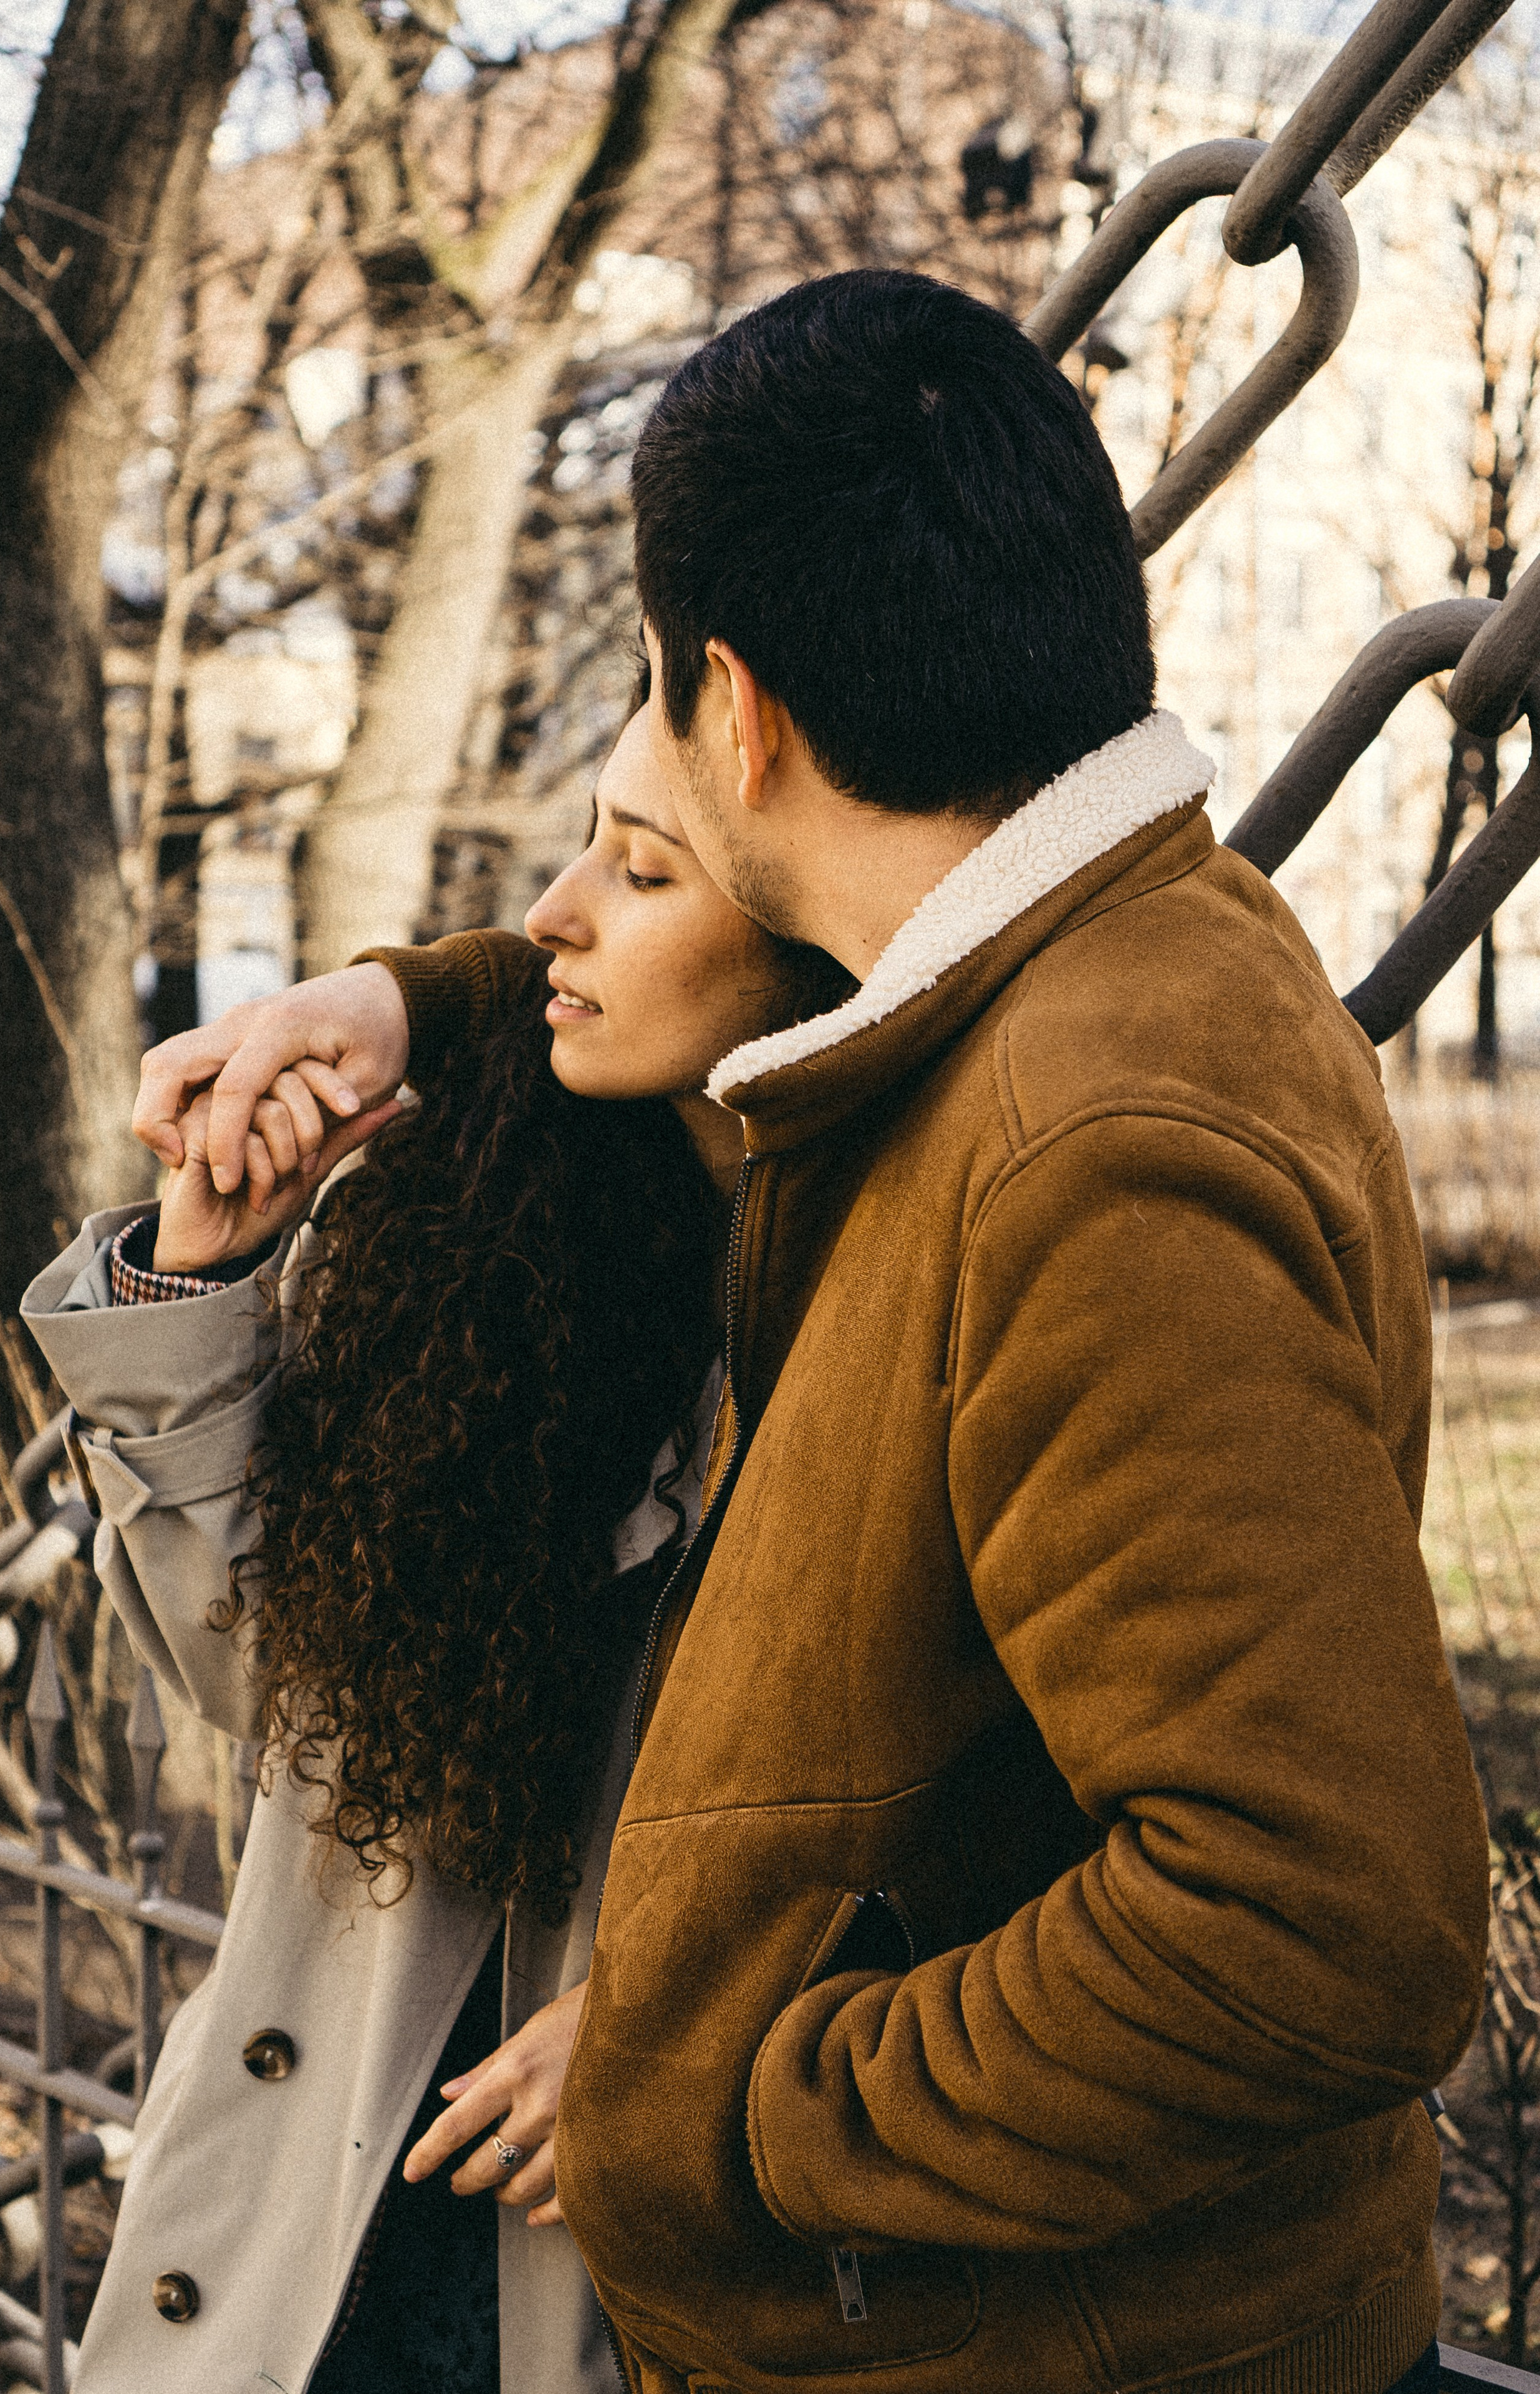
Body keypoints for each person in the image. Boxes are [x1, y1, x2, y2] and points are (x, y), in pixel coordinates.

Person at [136, 269, 1488, 2394]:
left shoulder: (1085, 1141)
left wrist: (717, 2099)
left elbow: (1327, 1926)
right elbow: (743, 1006)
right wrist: (426, 1004)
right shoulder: (1093, 976)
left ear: (741, 710)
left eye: (662, 713)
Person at [22, 708, 847, 2394]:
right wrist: (197, 1292)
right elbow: (297, 1698)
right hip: (312, 2242)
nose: (549, 914)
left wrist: (690, 2038)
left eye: (639, 869)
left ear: (815, 939)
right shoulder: (497, 1221)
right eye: (583, 846)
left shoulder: (901, 1315)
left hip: (631, 2274)